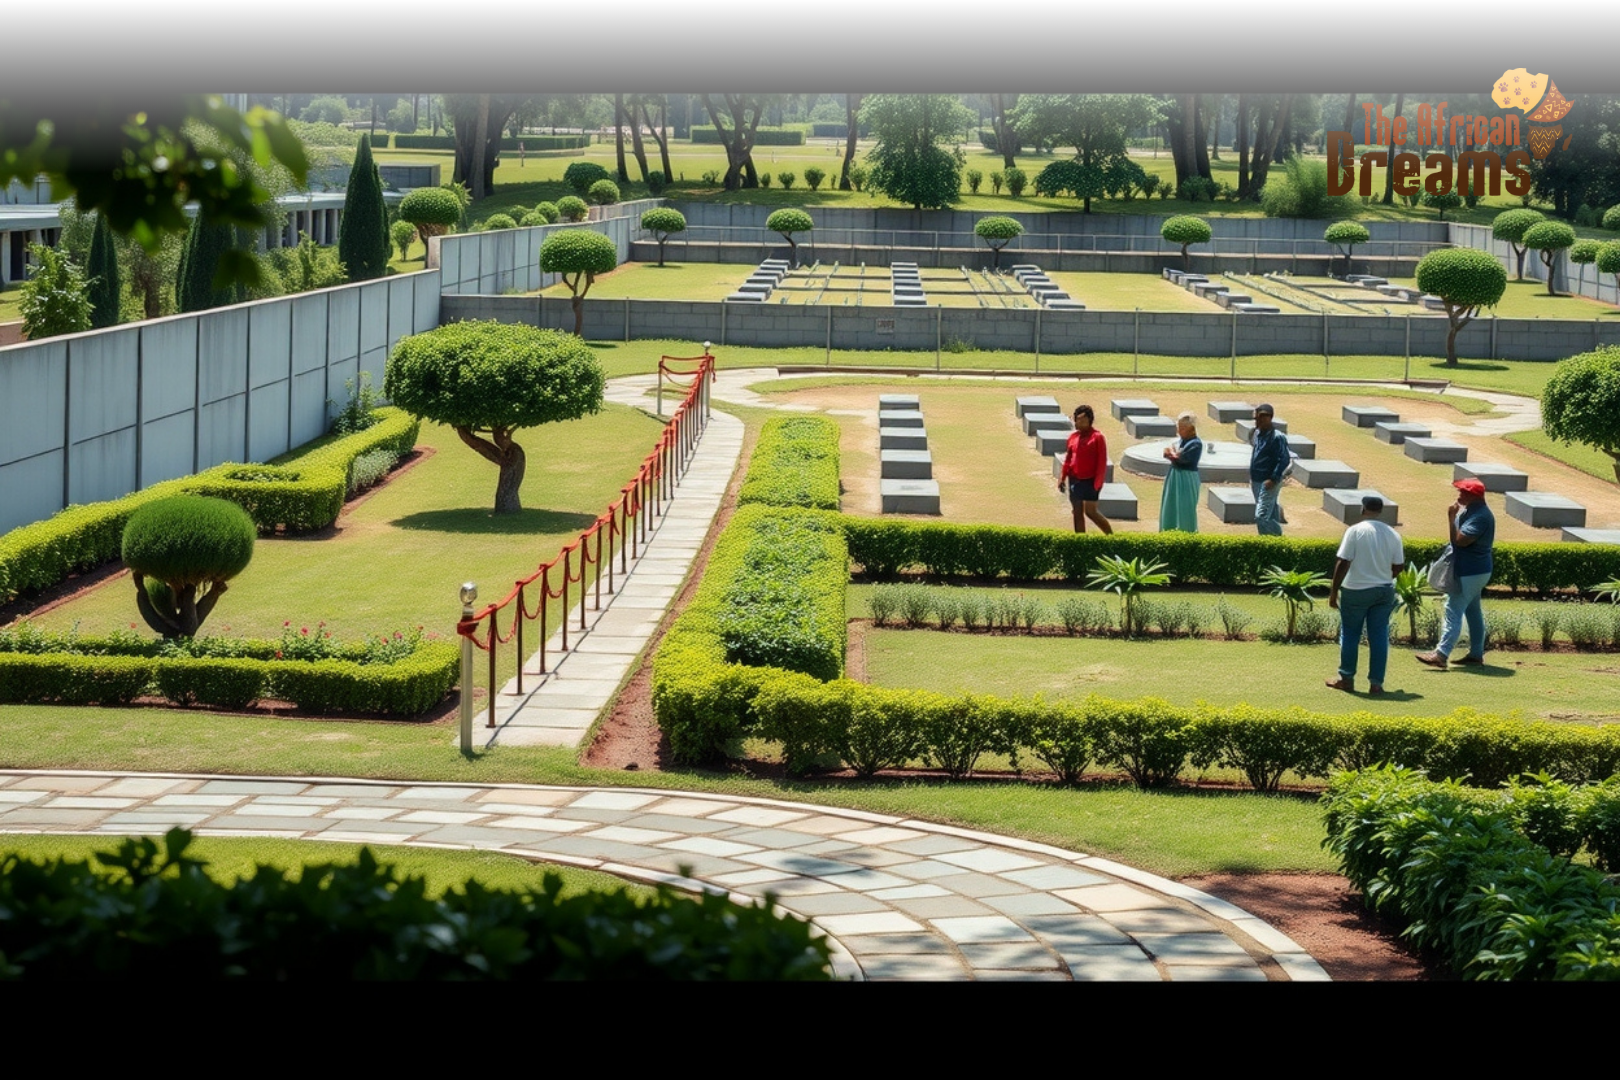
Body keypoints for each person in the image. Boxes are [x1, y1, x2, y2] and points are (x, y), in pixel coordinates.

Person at [1326, 495, 1406, 694]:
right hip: (1384, 590)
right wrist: (1385, 576)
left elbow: (1343, 561)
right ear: (1380, 511)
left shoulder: (1354, 531)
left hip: (1356, 590)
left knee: (1350, 634)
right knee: (1379, 636)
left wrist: (1334, 591)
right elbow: (1398, 566)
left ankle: (1346, 678)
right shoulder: (1392, 533)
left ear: (1363, 509)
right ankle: (1376, 683)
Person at [1417, 478, 1495, 670]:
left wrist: (1451, 518)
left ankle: (1441, 655)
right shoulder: (1471, 511)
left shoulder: (1481, 516)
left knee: (1453, 609)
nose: (1459, 495)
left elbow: (1460, 541)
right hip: (1476, 570)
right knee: (1472, 611)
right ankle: (1476, 654)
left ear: (1473, 496)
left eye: (1463, 492)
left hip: (1469, 571)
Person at [1057, 404, 1113, 534]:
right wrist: (1062, 478)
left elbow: (1101, 462)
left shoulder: (1097, 437)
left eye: (1082, 420)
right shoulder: (1073, 437)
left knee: (1090, 512)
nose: (1078, 422)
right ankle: (1080, 541)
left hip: (1090, 481)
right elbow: (1068, 460)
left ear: (1089, 421)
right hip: (1074, 479)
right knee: (1077, 511)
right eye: (1076, 419)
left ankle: (1111, 538)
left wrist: (1097, 484)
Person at [1248, 403, 1288, 536]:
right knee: (1270, 514)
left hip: (1269, 481)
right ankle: (1270, 543)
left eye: (1264, 417)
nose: (1260, 420)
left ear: (1270, 418)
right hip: (1256, 480)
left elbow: (1284, 459)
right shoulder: (1257, 434)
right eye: (1258, 418)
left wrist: (1273, 478)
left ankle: (1278, 540)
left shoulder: (1277, 437)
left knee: (1261, 516)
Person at [1159, 411, 1203, 533]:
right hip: (1174, 475)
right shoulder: (1181, 441)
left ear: (1191, 429)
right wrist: (1173, 453)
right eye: (1178, 427)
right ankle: (1168, 532)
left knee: (1186, 509)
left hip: (1187, 478)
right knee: (1170, 506)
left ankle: (1188, 537)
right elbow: (1172, 452)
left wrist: (1172, 453)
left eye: (1182, 428)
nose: (1179, 431)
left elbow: (1180, 458)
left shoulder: (1195, 443)